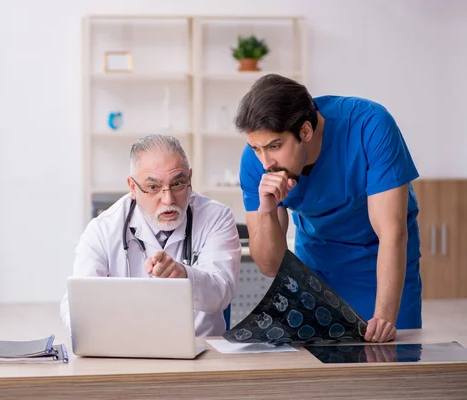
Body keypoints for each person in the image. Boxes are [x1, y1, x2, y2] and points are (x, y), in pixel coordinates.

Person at [236, 74, 422, 343]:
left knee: (392, 363)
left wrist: (383, 316)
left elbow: (392, 234)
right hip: (317, 270)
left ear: (305, 132)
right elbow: (269, 265)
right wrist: (266, 209)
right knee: (323, 372)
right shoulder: (256, 161)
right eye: (255, 148)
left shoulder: (370, 126)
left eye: (275, 146)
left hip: (384, 263)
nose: (265, 162)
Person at [60, 134, 241, 337]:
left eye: (178, 184)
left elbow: (222, 292)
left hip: (201, 351)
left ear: (190, 178)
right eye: (153, 187)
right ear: (132, 188)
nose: (168, 198)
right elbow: (77, 303)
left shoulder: (216, 217)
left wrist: (183, 274)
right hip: (126, 349)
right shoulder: (103, 230)